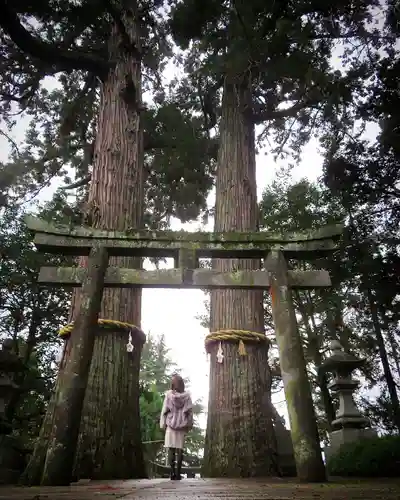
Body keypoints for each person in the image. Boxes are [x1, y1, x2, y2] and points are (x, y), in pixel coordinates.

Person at [160, 374, 193, 480]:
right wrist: (189, 424)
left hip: (171, 426)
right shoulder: (187, 397)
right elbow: (189, 412)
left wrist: (163, 423)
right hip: (181, 426)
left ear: (173, 384)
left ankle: (172, 473)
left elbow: (164, 410)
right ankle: (178, 474)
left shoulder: (169, 396)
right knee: (180, 450)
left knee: (171, 449)